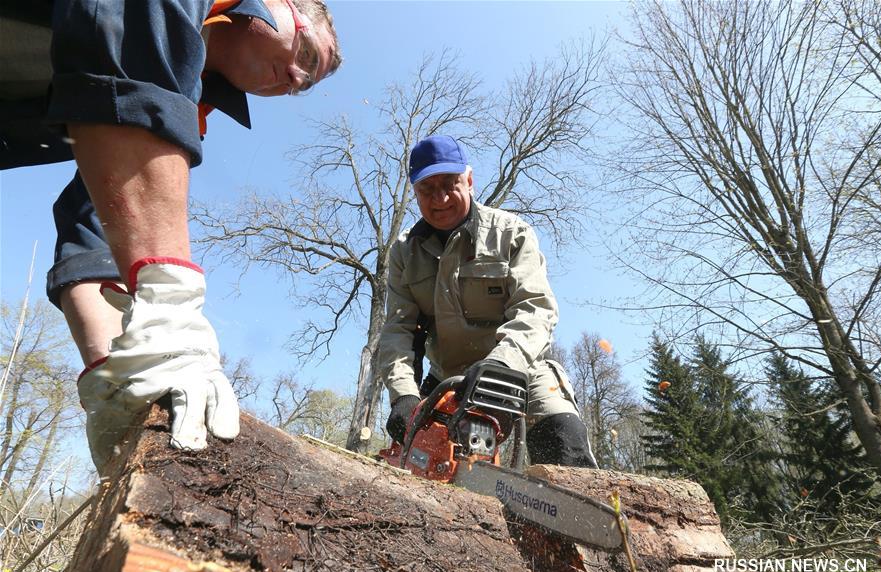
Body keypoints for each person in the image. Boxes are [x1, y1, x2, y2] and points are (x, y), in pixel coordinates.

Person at [0, 0, 341, 471]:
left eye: (308, 83)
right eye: (306, 54)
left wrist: (113, 377)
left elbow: (95, 222)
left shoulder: (185, 107)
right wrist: (171, 307)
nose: (298, 79)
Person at [377, 135, 597, 468]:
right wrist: (404, 393)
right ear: (415, 193)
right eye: (427, 190)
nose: (440, 198)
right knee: (421, 459)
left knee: (562, 436)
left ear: (469, 180)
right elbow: (398, 329)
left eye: (450, 184)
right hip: (446, 377)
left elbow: (536, 310)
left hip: (519, 366)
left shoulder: (511, 233)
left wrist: (503, 365)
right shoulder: (404, 252)